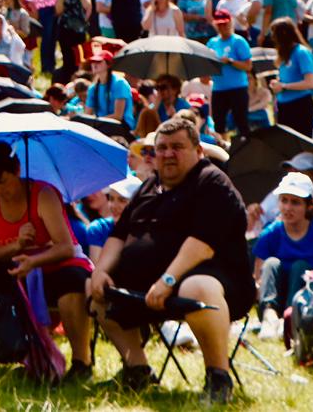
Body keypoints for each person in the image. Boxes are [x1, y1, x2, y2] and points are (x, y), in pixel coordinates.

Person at [89, 115, 255, 404]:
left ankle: (218, 377)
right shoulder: (148, 187)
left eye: (177, 147)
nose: (168, 154)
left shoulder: (212, 182)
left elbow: (202, 245)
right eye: (162, 148)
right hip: (149, 287)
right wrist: (100, 271)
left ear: (198, 151)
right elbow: (119, 235)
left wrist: (167, 281)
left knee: (196, 288)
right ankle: (137, 371)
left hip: (215, 283)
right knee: (96, 288)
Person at [0, 141, 93, 380]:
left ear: (17, 170)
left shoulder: (44, 195)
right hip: (17, 272)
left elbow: (66, 247)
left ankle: (82, 362)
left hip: (56, 267)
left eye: (3, 181)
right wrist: (17, 246)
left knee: (72, 280)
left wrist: (34, 261)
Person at [252, 171, 313, 339]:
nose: (287, 208)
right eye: (284, 200)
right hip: (273, 300)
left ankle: (290, 319)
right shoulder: (270, 233)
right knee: (271, 263)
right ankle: (270, 317)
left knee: (300, 266)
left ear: (309, 206)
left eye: (295, 202)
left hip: (307, 305)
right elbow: (258, 278)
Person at [206, 9, 251, 138]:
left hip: (237, 87)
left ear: (230, 22)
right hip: (218, 88)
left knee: (241, 121)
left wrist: (230, 61)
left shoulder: (238, 41)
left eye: (225, 24)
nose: (222, 27)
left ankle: (245, 144)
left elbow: (248, 66)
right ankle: (223, 146)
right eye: (219, 25)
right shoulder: (212, 42)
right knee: (219, 122)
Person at [270, 17, 313, 136]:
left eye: (275, 34)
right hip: (283, 106)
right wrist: (278, 83)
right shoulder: (283, 55)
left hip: (300, 106)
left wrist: (284, 86)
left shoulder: (301, 52)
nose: (273, 38)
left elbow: (311, 83)